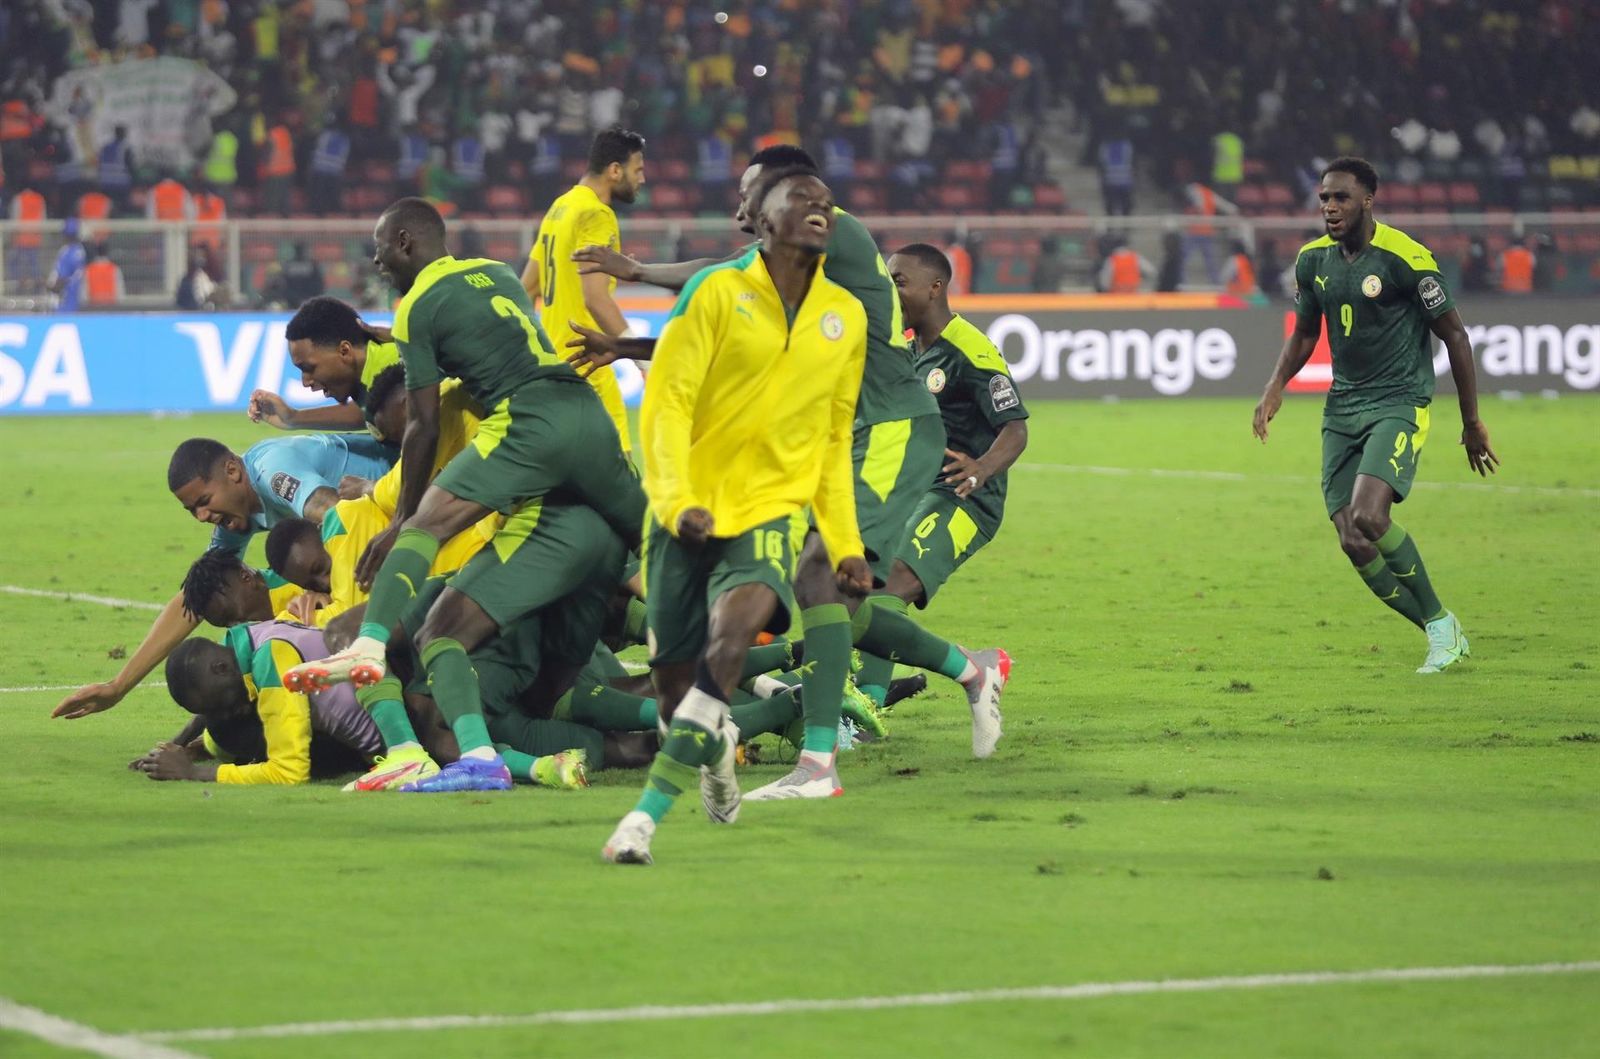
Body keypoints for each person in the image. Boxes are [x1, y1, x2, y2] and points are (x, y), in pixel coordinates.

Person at [570, 146, 1006, 801]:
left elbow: (721, 273)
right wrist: (628, 343)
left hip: (890, 427)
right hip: (842, 437)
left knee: (821, 577)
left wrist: (635, 270)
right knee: (830, 596)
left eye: (749, 193)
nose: (740, 209)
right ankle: (968, 670)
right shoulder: (783, 267)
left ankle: (820, 762)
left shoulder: (836, 234)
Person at [280, 198, 646, 797]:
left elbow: (423, 423)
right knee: (656, 548)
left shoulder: (416, 305)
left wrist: (401, 517)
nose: (378, 262)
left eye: (380, 250)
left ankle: (368, 647)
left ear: (405, 241)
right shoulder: (497, 272)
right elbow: (483, 343)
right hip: (587, 416)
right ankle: (760, 668)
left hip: (529, 422)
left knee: (425, 531)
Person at [602, 167, 872, 865]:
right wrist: (675, 500)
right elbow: (667, 401)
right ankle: (716, 745)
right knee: (676, 693)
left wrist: (844, 541)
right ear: (763, 217)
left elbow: (833, 437)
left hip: (771, 511)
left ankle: (642, 821)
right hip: (684, 512)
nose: (821, 207)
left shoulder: (845, 316)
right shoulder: (715, 291)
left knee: (729, 645)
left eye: (827, 202)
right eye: (802, 199)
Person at [1252, 157, 1498, 674]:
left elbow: (1455, 335)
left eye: (1341, 197)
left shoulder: (1406, 258)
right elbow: (1305, 333)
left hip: (1398, 401)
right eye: (1324, 198)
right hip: (1342, 406)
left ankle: (1439, 625)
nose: (1330, 207)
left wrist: (1471, 421)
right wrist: (1275, 386)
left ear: (1367, 200)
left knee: (1369, 515)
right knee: (1351, 538)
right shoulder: (1312, 261)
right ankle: (1440, 627)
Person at [50, 434, 394, 721]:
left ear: (233, 471)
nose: (201, 516)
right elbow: (196, 597)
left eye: (204, 501)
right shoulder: (236, 514)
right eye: (192, 510)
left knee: (344, 630)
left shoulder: (273, 473)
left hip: (405, 496)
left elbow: (339, 513)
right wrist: (118, 686)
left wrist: (335, 591)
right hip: (394, 528)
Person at [884, 245, 1028, 684]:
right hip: (916, 492)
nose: (891, 292)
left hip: (965, 499)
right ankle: (867, 690)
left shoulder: (970, 350)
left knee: (889, 587)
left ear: (935, 288)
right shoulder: (912, 347)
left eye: (899, 282)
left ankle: (973, 671)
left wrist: (981, 468)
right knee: (862, 588)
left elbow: (1016, 429)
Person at [522, 126, 646, 455]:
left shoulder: (561, 207)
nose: (642, 179)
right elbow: (595, 299)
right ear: (615, 170)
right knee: (620, 475)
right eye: (638, 170)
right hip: (587, 367)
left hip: (551, 367)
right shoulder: (597, 214)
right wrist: (643, 361)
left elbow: (527, 288)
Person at [135, 625, 384, 785]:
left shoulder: (273, 665)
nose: (229, 713)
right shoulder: (245, 639)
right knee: (220, 729)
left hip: (384, 745)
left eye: (223, 705)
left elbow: (289, 772)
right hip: (386, 684)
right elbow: (213, 709)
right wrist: (178, 742)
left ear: (220, 668)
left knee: (225, 732)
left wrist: (193, 772)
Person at [248, 296, 401, 433]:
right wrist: (292, 418)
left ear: (344, 351)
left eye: (309, 368)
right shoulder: (375, 373)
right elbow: (366, 413)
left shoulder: (398, 375)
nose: (306, 382)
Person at [47, 218, 87, 311]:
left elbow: (62, 279)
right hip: (74, 298)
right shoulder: (80, 250)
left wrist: (50, 286)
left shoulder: (68, 252)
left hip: (63, 299)